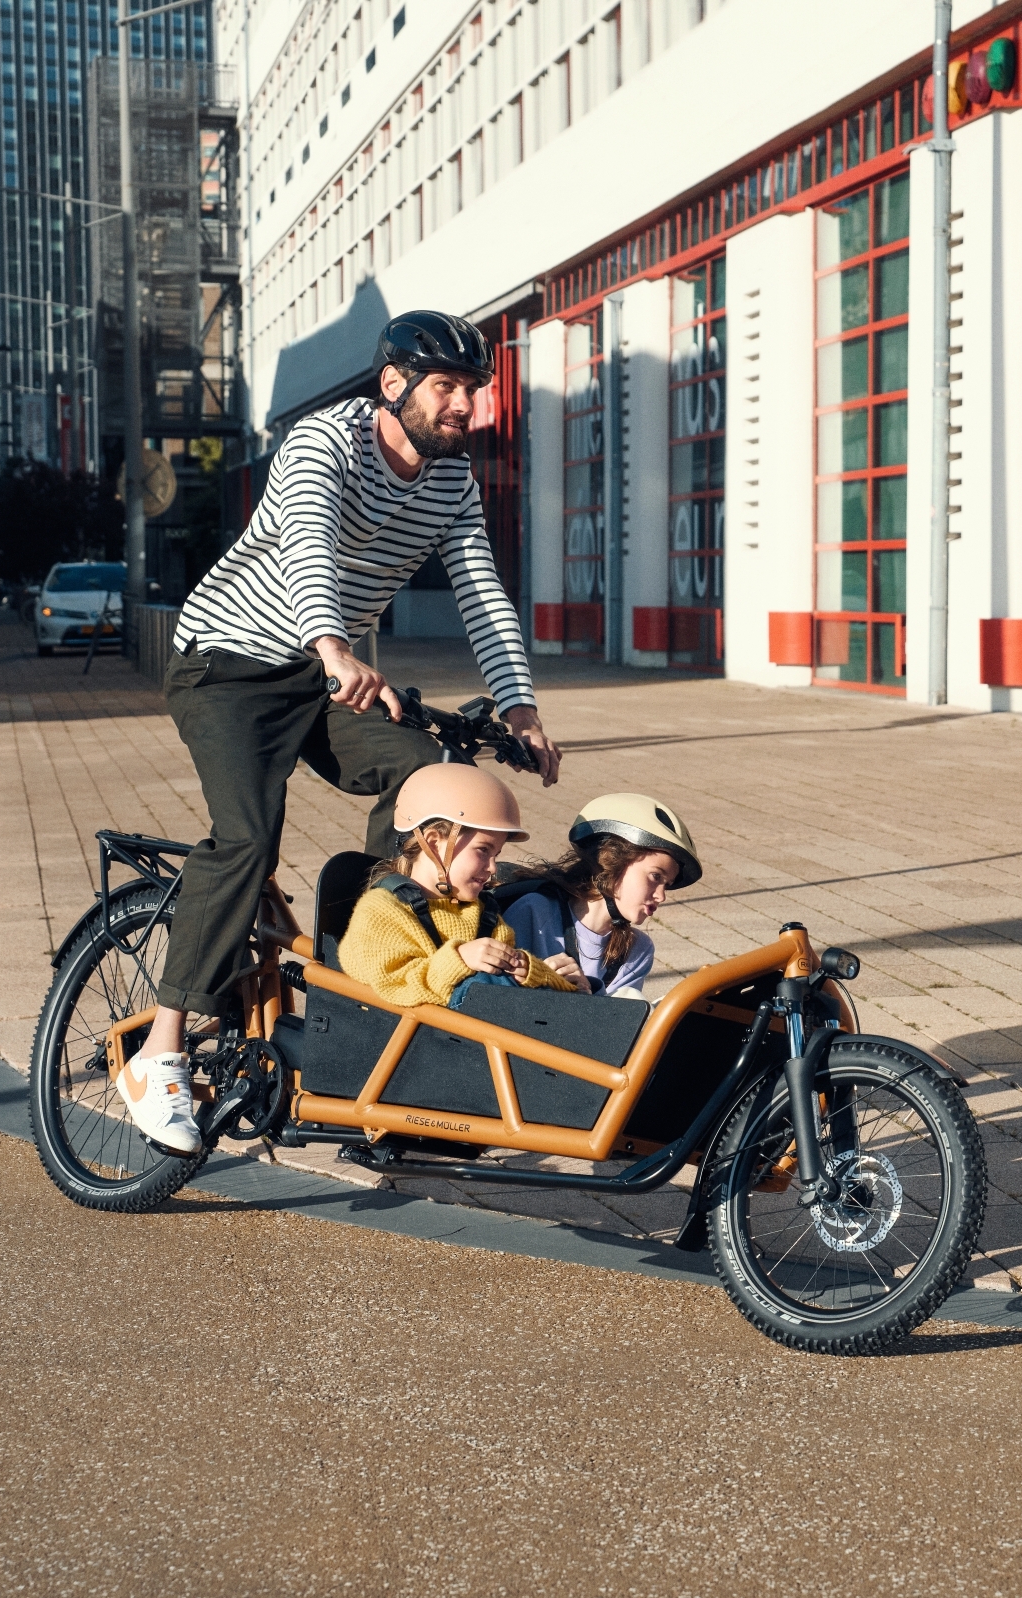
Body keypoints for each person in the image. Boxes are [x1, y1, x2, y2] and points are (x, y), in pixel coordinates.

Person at [117, 311, 563, 1158]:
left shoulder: (450, 482)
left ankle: (372, 989)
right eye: (449, 388)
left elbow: (481, 590)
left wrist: (520, 708)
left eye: (474, 390)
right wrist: (330, 644)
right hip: (229, 662)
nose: (467, 405)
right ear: (394, 386)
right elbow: (307, 546)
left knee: (427, 778)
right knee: (246, 837)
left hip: (323, 675)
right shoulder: (324, 442)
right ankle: (160, 1050)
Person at [343, 763, 582, 1010]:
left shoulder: (483, 914)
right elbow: (394, 986)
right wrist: (459, 959)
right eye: (483, 850)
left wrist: (537, 972)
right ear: (435, 844)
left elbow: (505, 988)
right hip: (410, 1038)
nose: (492, 867)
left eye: (496, 854)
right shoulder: (382, 911)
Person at [500, 794, 703, 1001]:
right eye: (655, 876)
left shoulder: (638, 950)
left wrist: (588, 993)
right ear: (611, 859)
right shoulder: (534, 911)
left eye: (666, 885)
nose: (661, 896)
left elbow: (618, 1027)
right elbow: (496, 998)